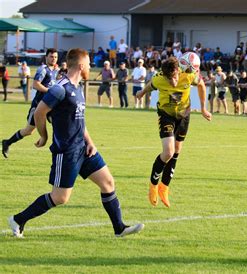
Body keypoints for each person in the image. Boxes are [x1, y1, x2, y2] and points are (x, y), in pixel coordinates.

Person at [7, 48, 144, 238]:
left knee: (108, 182)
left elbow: (79, 120)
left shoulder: (78, 88)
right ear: (81, 66)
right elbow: (39, 112)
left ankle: (119, 228)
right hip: (67, 151)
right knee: (60, 197)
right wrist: (44, 136)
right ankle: (18, 219)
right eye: (88, 64)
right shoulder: (59, 88)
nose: (90, 67)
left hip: (84, 148)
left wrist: (90, 142)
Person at [136, 57, 212, 208]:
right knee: (168, 152)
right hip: (166, 115)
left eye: (175, 77)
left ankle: (164, 188)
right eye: (169, 80)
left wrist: (203, 108)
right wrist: (142, 93)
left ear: (179, 70)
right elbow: (150, 85)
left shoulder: (189, 74)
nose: (173, 82)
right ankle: (153, 186)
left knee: (176, 151)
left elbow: (201, 84)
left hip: (184, 115)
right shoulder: (159, 78)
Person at [2, 48, 59, 158]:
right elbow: (36, 84)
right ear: (46, 57)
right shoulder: (43, 69)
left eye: (55, 57)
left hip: (50, 106)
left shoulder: (55, 71)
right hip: (38, 106)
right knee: (28, 131)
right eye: (51, 56)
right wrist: (50, 91)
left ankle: (58, 148)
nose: (53, 59)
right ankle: (7, 142)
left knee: (57, 121)